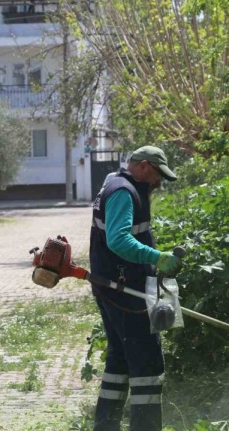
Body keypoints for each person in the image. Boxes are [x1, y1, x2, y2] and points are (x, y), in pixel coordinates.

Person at [89, 145, 182, 431]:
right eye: (156, 174)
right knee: (147, 362)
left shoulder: (115, 183)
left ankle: (106, 426)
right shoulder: (123, 192)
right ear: (142, 166)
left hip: (115, 287)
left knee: (119, 359)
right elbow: (118, 241)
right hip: (124, 291)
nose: (158, 182)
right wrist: (158, 258)